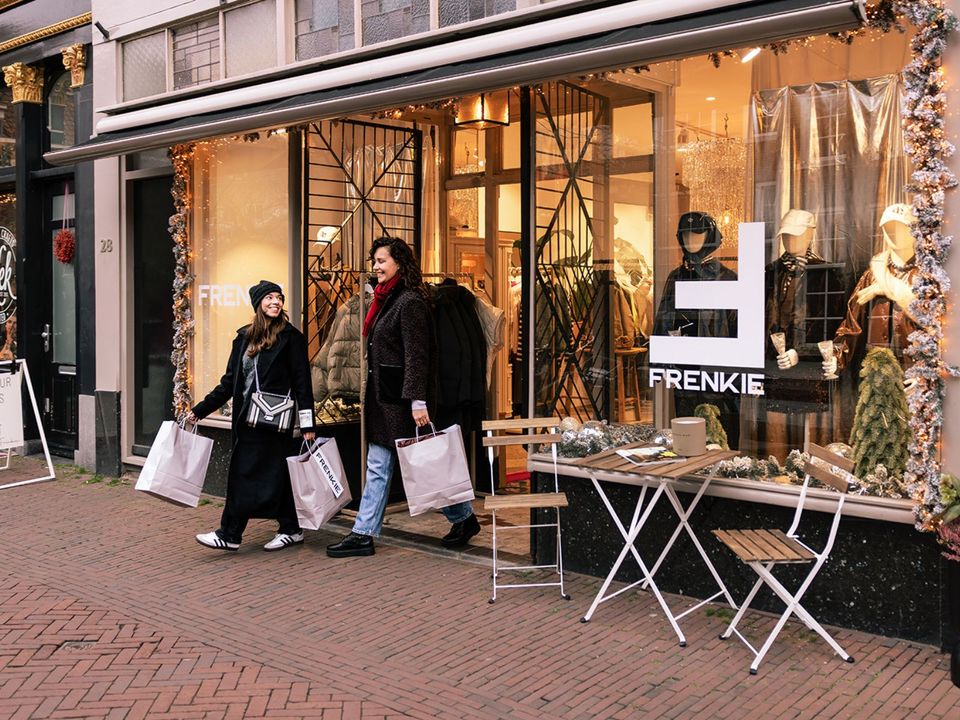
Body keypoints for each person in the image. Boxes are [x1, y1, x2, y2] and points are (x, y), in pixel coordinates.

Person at [326, 236, 480, 558]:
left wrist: (417, 401)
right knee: (392, 465)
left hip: (401, 402)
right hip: (387, 399)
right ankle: (366, 533)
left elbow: (417, 356)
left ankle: (461, 518)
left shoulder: (409, 302)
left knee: (422, 465)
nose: (376, 267)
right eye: (375, 262)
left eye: (381, 261)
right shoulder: (385, 299)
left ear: (399, 262)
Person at [187, 280, 316, 552]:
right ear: (258, 303)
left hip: (274, 423)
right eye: (268, 297)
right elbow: (229, 383)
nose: (275, 302)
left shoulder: (291, 338)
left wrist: (307, 424)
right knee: (265, 476)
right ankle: (290, 528)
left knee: (257, 476)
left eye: (278, 297)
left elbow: (303, 383)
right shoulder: (244, 338)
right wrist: (199, 411)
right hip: (246, 422)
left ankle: (231, 533)